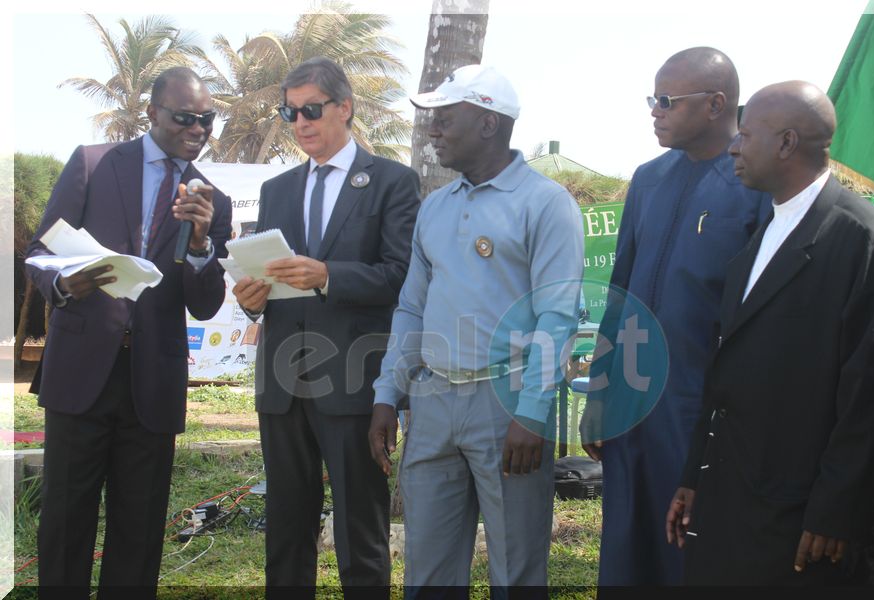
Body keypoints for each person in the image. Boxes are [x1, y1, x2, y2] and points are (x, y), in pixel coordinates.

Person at [666, 81, 874, 585]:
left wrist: (838, 509)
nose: (733, 146)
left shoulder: (859, 238)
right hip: (736, 498)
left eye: (745, 136)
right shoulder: (763, 235)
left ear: (787, 143)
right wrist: (694, 476)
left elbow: (872, 389)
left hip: (804, 516)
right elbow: (727, 365)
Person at [368, 64, 584, 594]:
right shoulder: (436, 207)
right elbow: (412, 307)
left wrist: (532, 414)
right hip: (433, 400)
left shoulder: (546, 203)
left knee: (515, 567)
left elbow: (557, 317)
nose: (433, 129)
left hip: (507, 401)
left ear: (489, 123)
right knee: (429, 568)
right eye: (432, 119)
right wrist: (387, 392)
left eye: (445, 117)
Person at [25, 66, 232, 596]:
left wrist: (203, 243)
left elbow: (206, 305)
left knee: (139, 533)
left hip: (153, 383)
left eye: (207, 119)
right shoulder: (93, 165)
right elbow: (41, 255)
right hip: (81, 375)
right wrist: (70, 283)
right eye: (185, 117)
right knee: (66, 523)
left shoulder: (214, 201)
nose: (198, 128)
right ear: (152, 113)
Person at [578, 47, 771, 585]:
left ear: (715, 104)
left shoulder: (754, 186)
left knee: (690, 550)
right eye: (653, 99)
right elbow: (621, 293)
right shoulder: (648, 179)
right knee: (626, 549)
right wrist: (599, 394)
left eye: (667, 100)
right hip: (633, 403)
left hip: (701, 409)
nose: (655, 111)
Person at [231, 57, 420, 596]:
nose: (300, 122)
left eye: (311, 109)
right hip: (282, 384)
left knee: (360, 531)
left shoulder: (392, 182)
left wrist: (328, 275)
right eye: (289, 113)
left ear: (345, 108)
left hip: (353, 382)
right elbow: (270, 281)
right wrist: (251, 300)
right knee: (286, 532)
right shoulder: (278, 190)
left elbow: (402, 276)